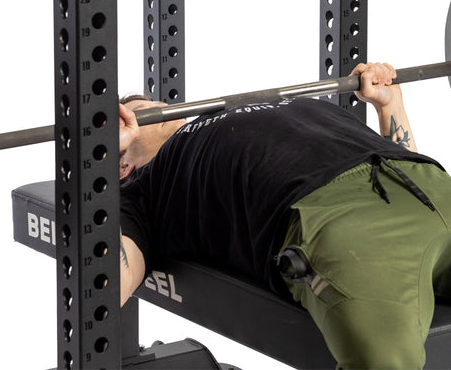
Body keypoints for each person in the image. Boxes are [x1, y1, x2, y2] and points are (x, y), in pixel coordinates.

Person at [117, 62, 451, 370]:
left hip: (426, 184)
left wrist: (390, 105)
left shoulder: (275, 107)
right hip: (344, 225)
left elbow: (403, 157)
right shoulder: (141, 192)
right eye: (139, 112)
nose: (159, 109)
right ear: (122, 164)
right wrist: (98, 156)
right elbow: (105, 287)